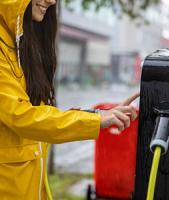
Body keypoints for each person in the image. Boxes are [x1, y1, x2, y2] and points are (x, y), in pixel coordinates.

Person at [0, 0, 139, 199]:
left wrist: (98, 115)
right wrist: (97, 120)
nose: (52, 1)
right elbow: (20, 115)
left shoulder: (16, 40)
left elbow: (38, 115)